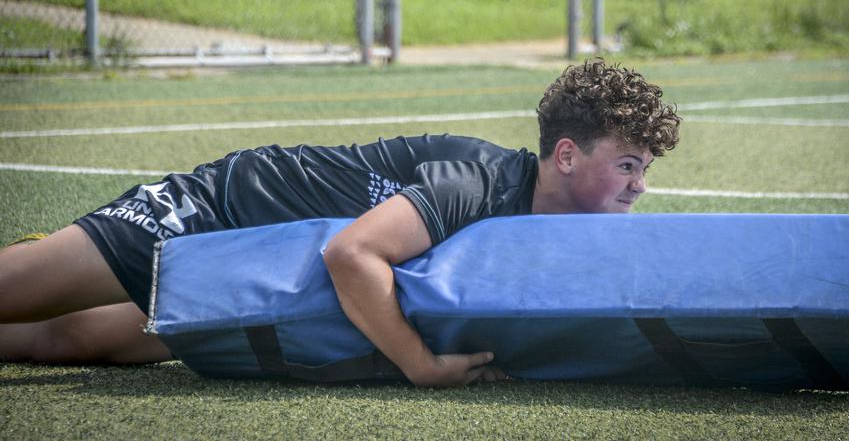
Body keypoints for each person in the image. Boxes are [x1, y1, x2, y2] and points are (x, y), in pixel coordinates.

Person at [0, 59, 680, 387]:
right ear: (566, 155)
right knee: (16, 287)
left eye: (644, 167)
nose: (640, 186)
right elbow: (351, 254)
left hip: (253, 267)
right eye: (628, 165)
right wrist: (420, 364)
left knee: (62, 341)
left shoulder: (547, 216)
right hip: (217, 210)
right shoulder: (478, 182)